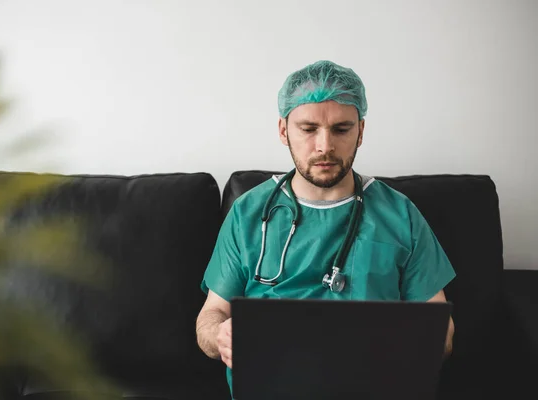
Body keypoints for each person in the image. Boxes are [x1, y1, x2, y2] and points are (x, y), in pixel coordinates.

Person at [195, 60, 456, 395]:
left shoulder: (400, 215)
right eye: (308, 129)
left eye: (341, 129)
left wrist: (418, 346)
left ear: (361, 131)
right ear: (283, 130)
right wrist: (220, 336)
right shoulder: (248, 213)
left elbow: (441, 329)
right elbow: (211, 315)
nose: (324, 146)